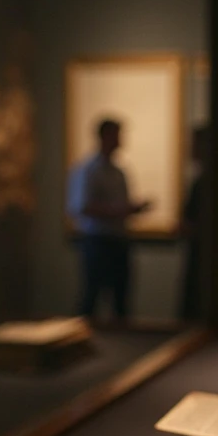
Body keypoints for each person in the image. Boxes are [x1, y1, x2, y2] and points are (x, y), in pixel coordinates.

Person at [67, 119, 151, 322]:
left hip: (118, 240)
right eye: (116, 134)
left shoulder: (118, 172)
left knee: (121, 299)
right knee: (92, 297)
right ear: (104, 136)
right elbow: (81, 207)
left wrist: (129, 209)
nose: (120, 140)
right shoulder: (88, 170)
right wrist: (120, 210)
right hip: (97, 241)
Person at [178, 125, 209, 321]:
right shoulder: (202, 181)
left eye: (196, 144)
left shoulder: (204, 183)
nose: (191, 149)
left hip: (203, 256)